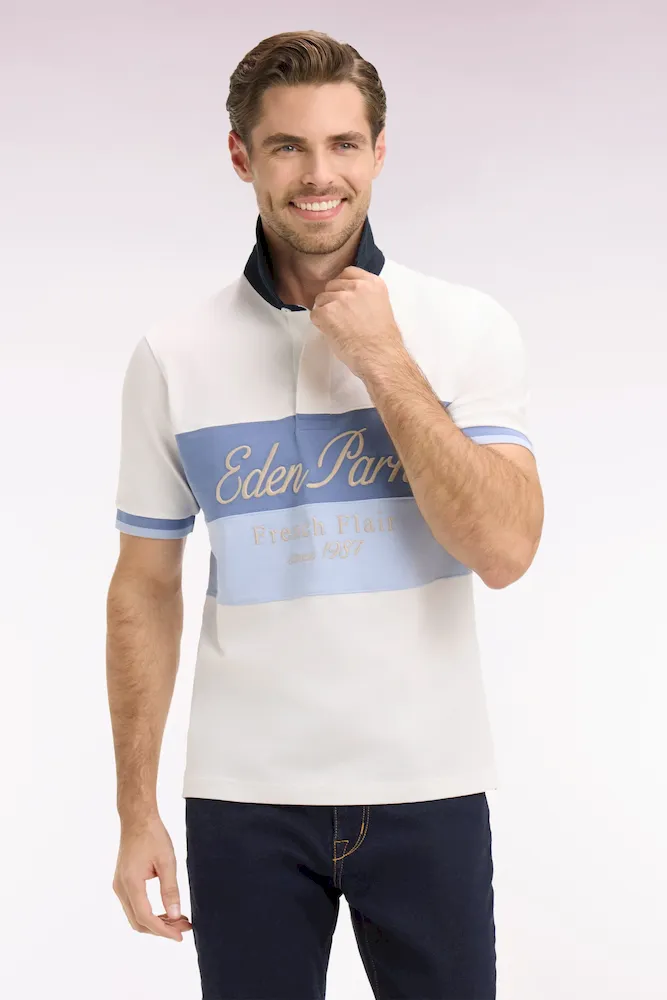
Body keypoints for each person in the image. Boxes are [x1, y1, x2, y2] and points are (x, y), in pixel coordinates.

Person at [107, 29, 544, 1000]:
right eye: (288, 146)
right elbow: (143, 587)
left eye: (344, 144)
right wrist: (136, 810)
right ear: (241, 157)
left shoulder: (464, 326)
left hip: (426, 784)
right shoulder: (173, 355)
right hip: (243, 800)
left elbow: (506, 550)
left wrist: (382, 358)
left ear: (378, 152)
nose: (319, 175)